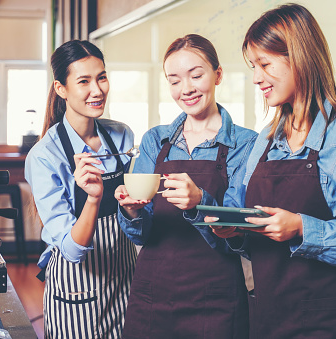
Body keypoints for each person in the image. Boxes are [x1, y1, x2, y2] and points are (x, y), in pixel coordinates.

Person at [205, 4, 336, 338]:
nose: (256, 78)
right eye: (253, 66)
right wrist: (232, 230)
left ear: (299, 57)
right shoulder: (264, 141)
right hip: (269, 319)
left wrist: (301, 229)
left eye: (264, 64)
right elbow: (245, 224)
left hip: (332, 324)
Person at [115, 34, 257, 338]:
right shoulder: (156, 140)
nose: (186, 89)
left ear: (218, 75)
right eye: (174, 80)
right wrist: (130, 210)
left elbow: (237, 230)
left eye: (196, 75)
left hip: (216, 297)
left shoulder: (246, 144)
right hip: (152, 293)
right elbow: (140, 233)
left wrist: (199, 202)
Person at [25, 40, 137, 339]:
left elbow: (133, 215)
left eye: (101, 77)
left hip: (125, 276)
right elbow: (73, 251)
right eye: (84, 81)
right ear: (61, 89)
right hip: (77, 284)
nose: (97, 90)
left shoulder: (122, 135)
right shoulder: (45, 155)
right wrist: (93, 198)